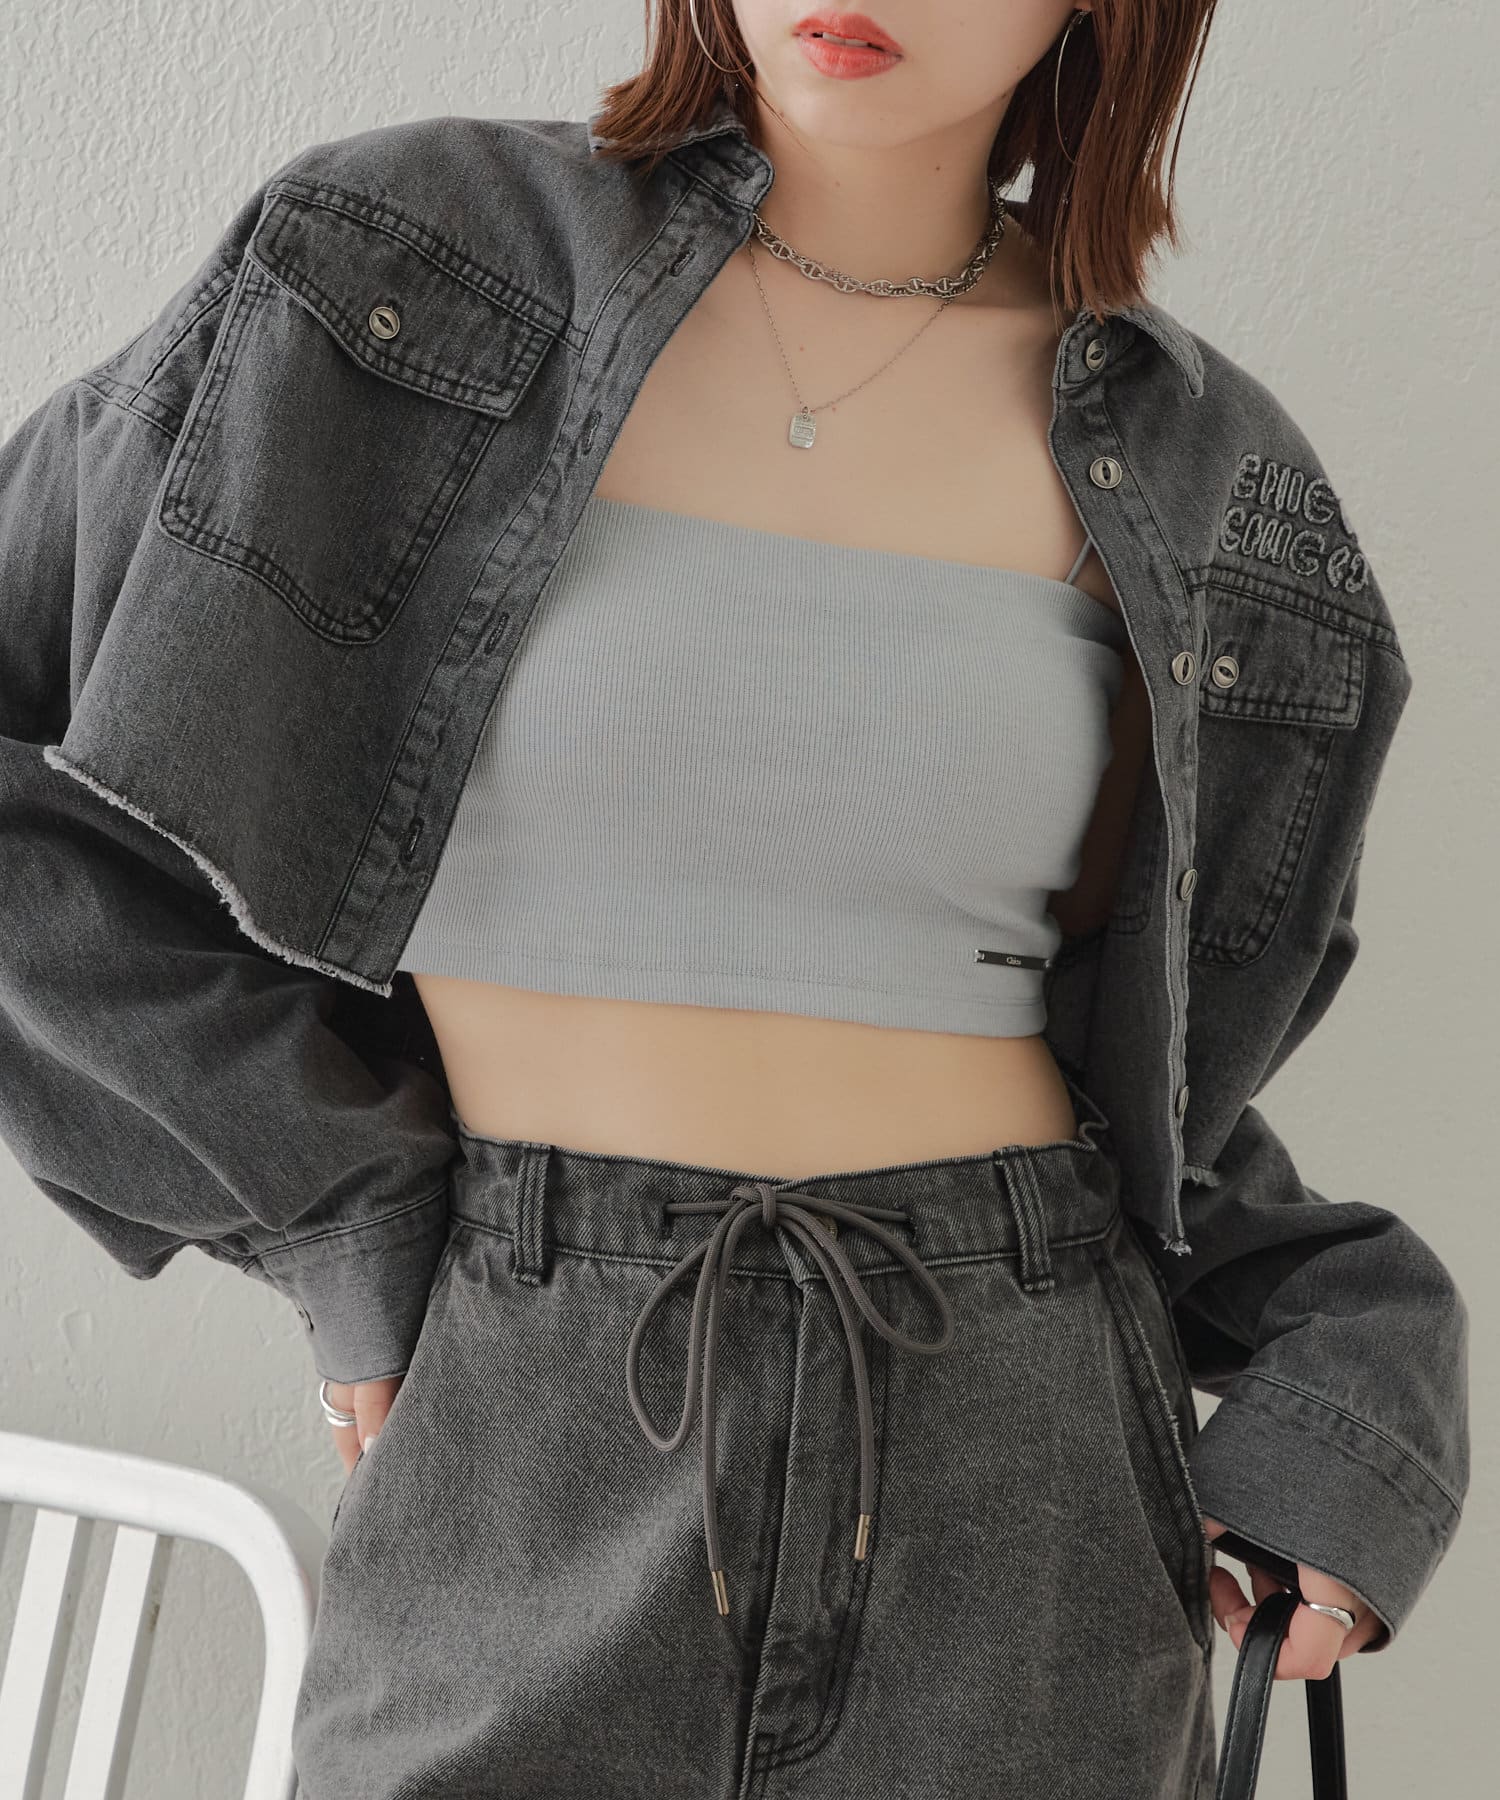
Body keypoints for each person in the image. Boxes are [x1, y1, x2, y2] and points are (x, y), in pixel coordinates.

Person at [0, 3, 1469, 1795]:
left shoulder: (1219, 481)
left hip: (1020, 1446)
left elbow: (1156, 1101)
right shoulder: (396, 266)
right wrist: (337, 1216)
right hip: (536, 1410)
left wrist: (1352, 1395)